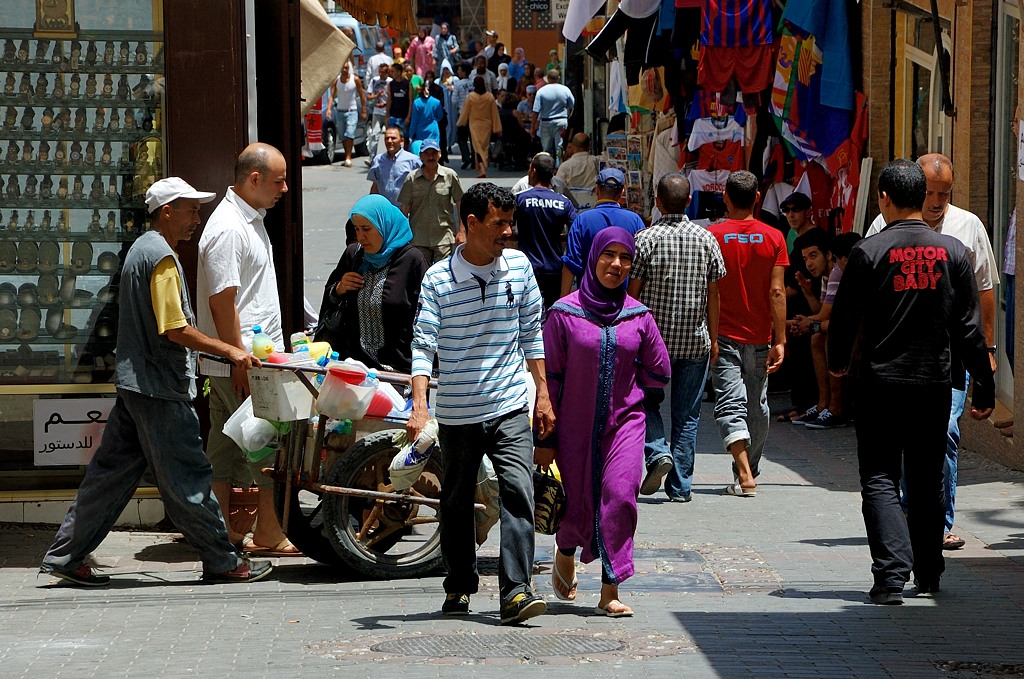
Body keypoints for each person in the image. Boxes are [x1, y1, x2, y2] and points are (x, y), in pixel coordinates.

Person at [39, 177, 273, 587]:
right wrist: (230, 350)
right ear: (167, 211)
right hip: (158, 388)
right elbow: (175, 328)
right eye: (190, 210)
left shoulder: (141, 251)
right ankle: (223, 560)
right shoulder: (162, 257)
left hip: (135, 386)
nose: (196, 220)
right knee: (188, 475)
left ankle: (65, 555)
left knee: (109, 476)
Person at [828, 159, 994, 604]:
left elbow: (844, 319)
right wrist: (986, 383)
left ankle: (890, 576)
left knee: (880, 476)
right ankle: (929, 571)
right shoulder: (954, 252)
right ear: (925, 197)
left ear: (884, 198)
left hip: (880, 382)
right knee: (925, 477)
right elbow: (969, 329)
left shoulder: (869, 252)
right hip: (934, 383)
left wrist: (838, 364)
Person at [407, 182, 555, 625]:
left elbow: (532, 333)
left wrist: (542, 393)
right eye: (499, 224)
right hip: (458, 412)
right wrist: (420, 405)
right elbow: (422, 345)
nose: (508, 233)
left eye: (511, 223)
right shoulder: (438, 279)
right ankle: (459, 584)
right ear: (470, 224)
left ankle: (516, 591)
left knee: (519, 491)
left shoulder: (519, 267)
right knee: (455, 502)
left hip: (510, 403)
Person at [866, 153, 999, 552]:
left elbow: (985, 291)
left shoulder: (968, 227)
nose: (937, 202)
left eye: (945, 193)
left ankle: (937, 522)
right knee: (908, 442)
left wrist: (988, 351)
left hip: (951, 357)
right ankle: (912, 512)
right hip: (897, 358)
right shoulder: (883, 224)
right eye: (930, 192)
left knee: (945, 434)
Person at [537, 227, 671, 616]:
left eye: (625, 257)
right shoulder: (564, 314)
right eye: (608, 255)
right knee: (577, 498)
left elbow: (659, 370)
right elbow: (549, 380)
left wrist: (632, 387)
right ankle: (565, 549)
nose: (616, 264)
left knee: (620, 495)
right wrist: (543, 436)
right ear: (592, 257)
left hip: (625, 426)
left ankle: (610, 590)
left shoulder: (639, 315)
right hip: (572, 425)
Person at [195, 143, 296, 555]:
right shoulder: (228, 227)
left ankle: (220, 534)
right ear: (254, 179)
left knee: (221, 450)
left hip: (243, 361)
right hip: (240, 364)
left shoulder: (249, 219)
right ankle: (268, 533)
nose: (285, 188)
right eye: (278, 180)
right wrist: (239, 357)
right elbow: (223, 301)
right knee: (267, 446)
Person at [628, 174, 726, 502]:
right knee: (688, 413)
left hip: (651, 344)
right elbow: (714, 294)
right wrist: (714, 338)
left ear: (657, 202)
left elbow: (633, 294)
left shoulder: (644, 240)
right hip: (695, 340)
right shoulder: (707, 239)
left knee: (643, 401)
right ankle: (681, 486)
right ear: (688, 202)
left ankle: (657, 453)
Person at [708, 170, 788, 497]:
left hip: (723, 334)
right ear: (757, 198)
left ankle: (744, 472)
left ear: (726, 197)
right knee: (756, 404)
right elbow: (778, 292)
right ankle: (749, 469)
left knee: (730, 402)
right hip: (759, 337)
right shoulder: (774, 237)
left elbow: (710, 292)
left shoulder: (712, 235)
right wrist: (780, 339)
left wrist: (710, 337)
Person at [314, 195, 427, 372]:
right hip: (354, 368)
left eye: (366, 229)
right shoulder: (354, 255)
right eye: (357, 229)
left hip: (400, 371)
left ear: (384, 225)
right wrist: (339, 289)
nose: (360, 237)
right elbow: (330, 301)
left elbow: (427, 318)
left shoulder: (412, 261)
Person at [561, 168, 645, 296]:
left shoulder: (582, 220)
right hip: (622, 299)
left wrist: (563, 299)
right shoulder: (635, 220)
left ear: (597, 190)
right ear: (622, 191)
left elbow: (571, 263)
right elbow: (640, 264)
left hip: (588, 298)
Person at [778, 191, 820, 425]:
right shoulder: (795, 238)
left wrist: (776, 299)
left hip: (809, 308)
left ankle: (808, 405)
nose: (791, 215)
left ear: (808, 212)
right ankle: (802, 404)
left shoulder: (812, 239)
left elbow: (799, 283)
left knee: (807, 357)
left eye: (796, 210)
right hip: (797, 307)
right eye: (787, 211)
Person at [514, 153, 577, 308]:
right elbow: (576, 231)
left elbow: (505, 227)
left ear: (533, 171)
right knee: (552, 312)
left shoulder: (519, 199)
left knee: (526, 310)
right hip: (554, 268)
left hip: (527, 267)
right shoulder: (563, 202)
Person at [398, 138, 464, 264]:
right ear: (421, 156)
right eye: (427, 154)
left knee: (443, 275)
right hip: (418, 238)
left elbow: (461, 203)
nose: (430, 157)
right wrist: (401, 236)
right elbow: (404, 209)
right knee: (421, 276)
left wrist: (462, 231)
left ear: (439, 154)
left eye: (433, 153)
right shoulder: (412, 178)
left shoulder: (450, 175)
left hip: (443, 237)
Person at [456, 76, 501, 179]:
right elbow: (495, 113)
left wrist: (460, 122)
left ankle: (481, 168)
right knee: (484, 147)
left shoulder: (471, 97)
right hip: (487, 125)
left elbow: (465, 111)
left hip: (474, 125)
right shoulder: (490, 97)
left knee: (477, 147)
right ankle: (482, 167)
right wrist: (497, 128)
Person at [367, 126, 421, 207]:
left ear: (401, 141)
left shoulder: (413, 160)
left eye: (393, 138)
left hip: (405, 210)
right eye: (387, 138)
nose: (389, 141)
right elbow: (375, 185)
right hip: (385, 209)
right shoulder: (378, 160)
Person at [530, 70, 574, 163]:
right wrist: (567, 116)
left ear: (548, 79)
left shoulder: (541, 91)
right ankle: (559, 165)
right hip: (561, 121)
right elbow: (571, 105)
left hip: (546, 122)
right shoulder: (565, 89)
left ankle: (547, 166)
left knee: (546, 148)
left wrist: (532, 127)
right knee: (559, 145)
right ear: (558, 78)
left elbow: (536, 111)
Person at [330, 61, 366, 167]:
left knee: (350, 133)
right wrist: (328, 108)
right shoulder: (337, 81)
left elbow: (361, 95)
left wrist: (363, 110)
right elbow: (331, 95)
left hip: (352, 111)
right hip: (340, 111)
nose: (344, 70)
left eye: (346, 68)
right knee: (342, 136)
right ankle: (347, 154)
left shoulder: (355, 80)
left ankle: (348, 157)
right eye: (343, 68)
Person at [363, 61, 392, 165]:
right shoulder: (374, 81)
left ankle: (391, 157)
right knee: (375, 135)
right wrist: (377, 96)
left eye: (383, 72)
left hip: (388, 113)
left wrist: (385, 105)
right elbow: (369, 96)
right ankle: (372, 158)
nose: (381, 74)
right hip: (377, 112)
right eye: (380, 72)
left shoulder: (391, 82)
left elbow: (392, 98)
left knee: (390, 136)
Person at [451, 62, 475, 169]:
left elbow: (454, 101)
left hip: (462, 113)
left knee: (461, 138)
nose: (458, 72)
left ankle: (466, 157)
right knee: (473, 137)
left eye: (460, 70)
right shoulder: (473, 82)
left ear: (464, 71)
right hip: (474, 114)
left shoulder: (458, 84)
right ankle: (475, 159)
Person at [408, 78, 444, 146]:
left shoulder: (416, 102)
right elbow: (440, 116)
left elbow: (414, 121)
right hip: (433, 130)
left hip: (420, 131)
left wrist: (411, 134)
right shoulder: (436, 102)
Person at [385, 63, 411, 137]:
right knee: (393, 136)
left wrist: (408, 117)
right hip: (393, 115)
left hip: (404, 116)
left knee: (405, 138)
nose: (391, 73)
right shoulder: (391, 84)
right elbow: (389, 100)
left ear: (399, 72)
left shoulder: (407, 84)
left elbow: (410, 101)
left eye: (393, 71)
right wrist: (387, 116)